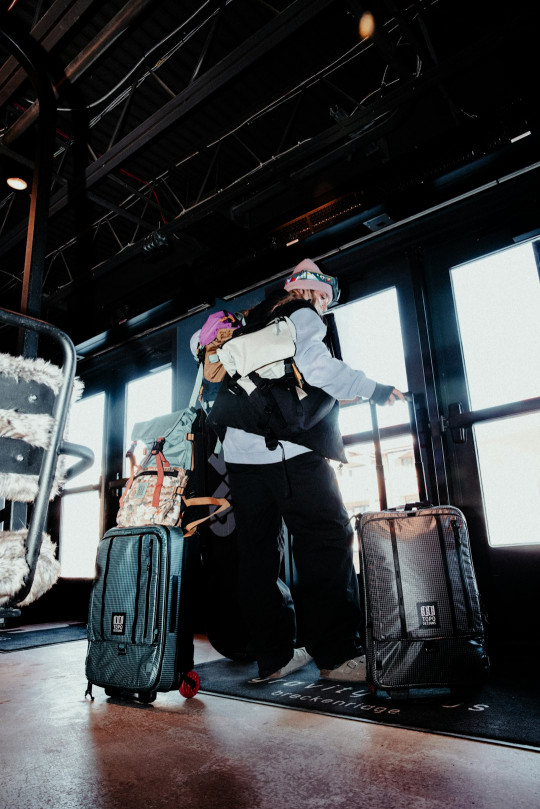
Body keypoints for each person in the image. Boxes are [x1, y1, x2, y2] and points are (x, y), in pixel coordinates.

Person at [208, 258, 405, 683]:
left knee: (258, 557)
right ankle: (336, 655)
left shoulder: (246, 322)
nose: (325, 305)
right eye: (325, 297)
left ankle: (272, 658)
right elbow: (319, 369)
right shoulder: (301, 315)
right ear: (314, 292)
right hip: (291, 455)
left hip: (241, 457)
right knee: (326, 541)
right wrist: (375, 389)